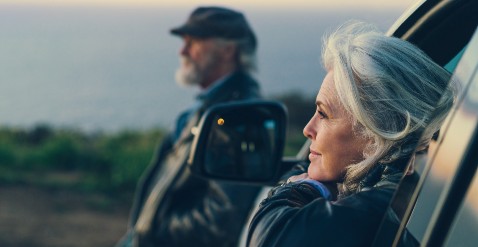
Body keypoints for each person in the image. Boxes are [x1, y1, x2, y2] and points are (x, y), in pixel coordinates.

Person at [246, 21, 456, 247]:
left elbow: (273, 238)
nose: (308, 129)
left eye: (323, 114)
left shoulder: (386, 209)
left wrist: (303, 188)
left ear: (377, 134)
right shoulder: (425, 189)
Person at [116, 6, 262, 247]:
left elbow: (220, 220)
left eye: (193, 42)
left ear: (227, 50)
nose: (183, 51)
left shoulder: (240, 116)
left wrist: (153, 229)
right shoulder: (214, 106)